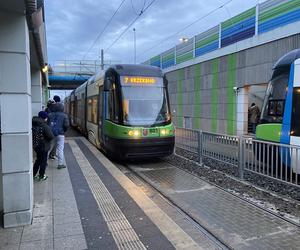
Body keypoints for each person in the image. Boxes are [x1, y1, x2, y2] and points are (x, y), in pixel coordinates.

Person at [32, 111, 54, 181]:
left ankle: (33, 174)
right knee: (43, 161)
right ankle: (41, 175)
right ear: (44, 118)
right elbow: (51, 136)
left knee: (38, 160)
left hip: (36, 145)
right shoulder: (44, 125)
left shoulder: (33, 124)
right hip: (44, 146)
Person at [48, 101, 69, 169]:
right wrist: (64, 131)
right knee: (60, 149)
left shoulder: (50, 115)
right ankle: (60, 164)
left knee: (49, 148)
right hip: (60, 134)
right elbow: (66, 125)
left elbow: (48, 124)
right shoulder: (64, 115)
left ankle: (44, 162)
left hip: (51, 134)